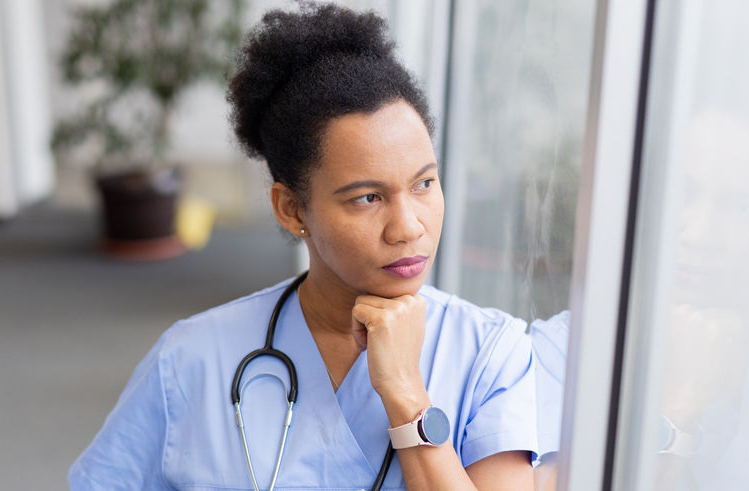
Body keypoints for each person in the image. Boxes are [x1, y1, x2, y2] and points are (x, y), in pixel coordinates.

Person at [69, 5, 537, 490]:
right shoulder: (191, 360)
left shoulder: (490, 354)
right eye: (368, 197)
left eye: (423, 184)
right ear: (291, 209)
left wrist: (405, 394)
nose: (407, 227)